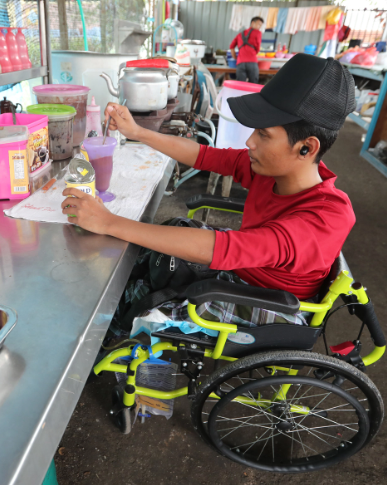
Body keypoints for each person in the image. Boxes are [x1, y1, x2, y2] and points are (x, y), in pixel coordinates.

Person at [61, 54, 356, 322]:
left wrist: (109, 221)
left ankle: (109, 331)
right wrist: (137, 132)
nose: (250, 142)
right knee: (167, 243)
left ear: (306, 147)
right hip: (243, 271)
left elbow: (225, 250)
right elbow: (203, 155)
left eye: (264, 135)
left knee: (150, 304)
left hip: (272, 303)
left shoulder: (325, 217)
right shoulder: (274, 171)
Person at [230, 16, 263, 84]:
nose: (259, 26)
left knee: (240, 85)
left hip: (240, 63)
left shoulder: (240, 34)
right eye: (259, 24)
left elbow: (231, 47)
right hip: (252, 62)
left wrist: (235, 57)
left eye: (261, 25)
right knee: (253, 84)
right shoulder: (258, 33)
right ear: (252, 23)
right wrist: (252, 53)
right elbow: (258, 49)